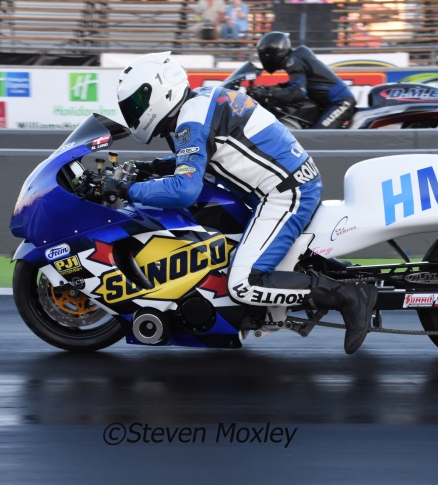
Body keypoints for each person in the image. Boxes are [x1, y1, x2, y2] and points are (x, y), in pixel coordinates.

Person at [104, 52, 377, 355]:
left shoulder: (191, 121)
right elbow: (197, 158)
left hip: (284, 193)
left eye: (136, 104)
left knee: (243, 283)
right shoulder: (199, 102)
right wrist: (152, 167)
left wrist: (128, 189)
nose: (134, 112)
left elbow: (184, 189)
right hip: (283, 186)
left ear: (158, 92)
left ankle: (348, 295)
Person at [254, 31, 356, 129]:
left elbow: (297, 93)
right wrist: (268, 89)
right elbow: (292, 85)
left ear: (273, 53)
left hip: (341, 102)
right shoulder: (297, 57)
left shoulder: (293, 62)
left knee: (317, 136)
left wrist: (266, 94)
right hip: (329, 104)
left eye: (264, 54)